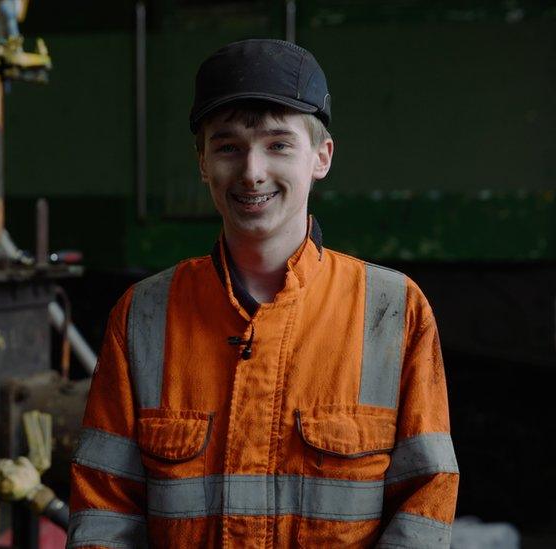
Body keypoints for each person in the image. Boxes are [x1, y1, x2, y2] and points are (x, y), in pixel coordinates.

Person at [67, 39, 459, 548]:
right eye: (228, 146)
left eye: (278, 144)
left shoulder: (393, 309)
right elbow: (104, 509)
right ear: (203, 163)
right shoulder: (144, 314)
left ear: (321, 157)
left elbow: (424, 503)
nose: (252, 171)